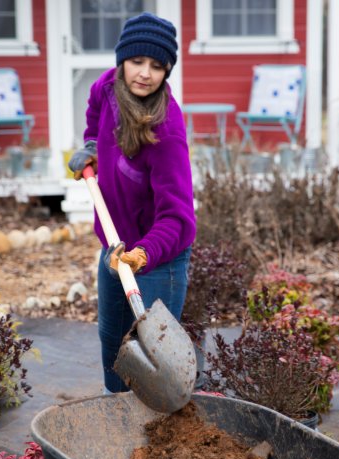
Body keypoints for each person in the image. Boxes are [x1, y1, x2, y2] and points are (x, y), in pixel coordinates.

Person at [68, 12, 196, 393]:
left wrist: (141, 255)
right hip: (114, 246)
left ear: (167, 70)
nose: (144, 73)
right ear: (122, 60)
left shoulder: (166, 129)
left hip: (159, 258)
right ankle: (115, 421)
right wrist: (91, 146)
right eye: (137, 61)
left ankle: (152, 434)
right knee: (113, 351)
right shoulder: (106, 87)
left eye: (157, 66)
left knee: (153, 363)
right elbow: (94, 116)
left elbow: (178, 219)